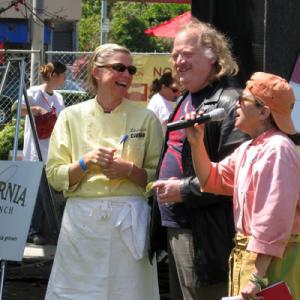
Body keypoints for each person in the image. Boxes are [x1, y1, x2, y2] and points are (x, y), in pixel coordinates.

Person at [44, 43, 163, 300]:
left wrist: (129, 170)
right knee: (76, 293)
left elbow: (158, 179)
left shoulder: (146, 119)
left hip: (130, 225)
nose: (127, 75)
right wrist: (85, 163)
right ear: (97, 72)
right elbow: (54, 176)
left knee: (130, 294)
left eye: (131, 69)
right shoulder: (70, 117)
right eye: (119, 68)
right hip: (82, 225)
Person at [149, 18, 249, 300]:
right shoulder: (186, 98)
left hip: (206, 235)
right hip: (178, 227)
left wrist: (183, 190)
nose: (178, 61)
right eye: (175, 55)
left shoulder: (230, 102)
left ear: (214, 57)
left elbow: (237, 177)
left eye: (187, 54)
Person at [186, 72, 300, 299]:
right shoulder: (250, 148)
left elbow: (273, 217)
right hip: (254, 258)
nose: (235, 105)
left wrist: (257, 276)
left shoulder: (277, 149)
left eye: (242, 100)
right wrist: (196, 144)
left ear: (263, 111)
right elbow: (212, 179)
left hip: (273, 262)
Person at [22, 61, 67, 245]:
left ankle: (44, 229)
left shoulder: (58, 97)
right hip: (36, 150)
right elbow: (16, 108)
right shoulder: (34, 92)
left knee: (47, 193)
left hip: (52, 150)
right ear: (54, 75)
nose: (65, 78)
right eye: (63, 75)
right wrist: (36, 109)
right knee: (38, 193)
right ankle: (32, 231)